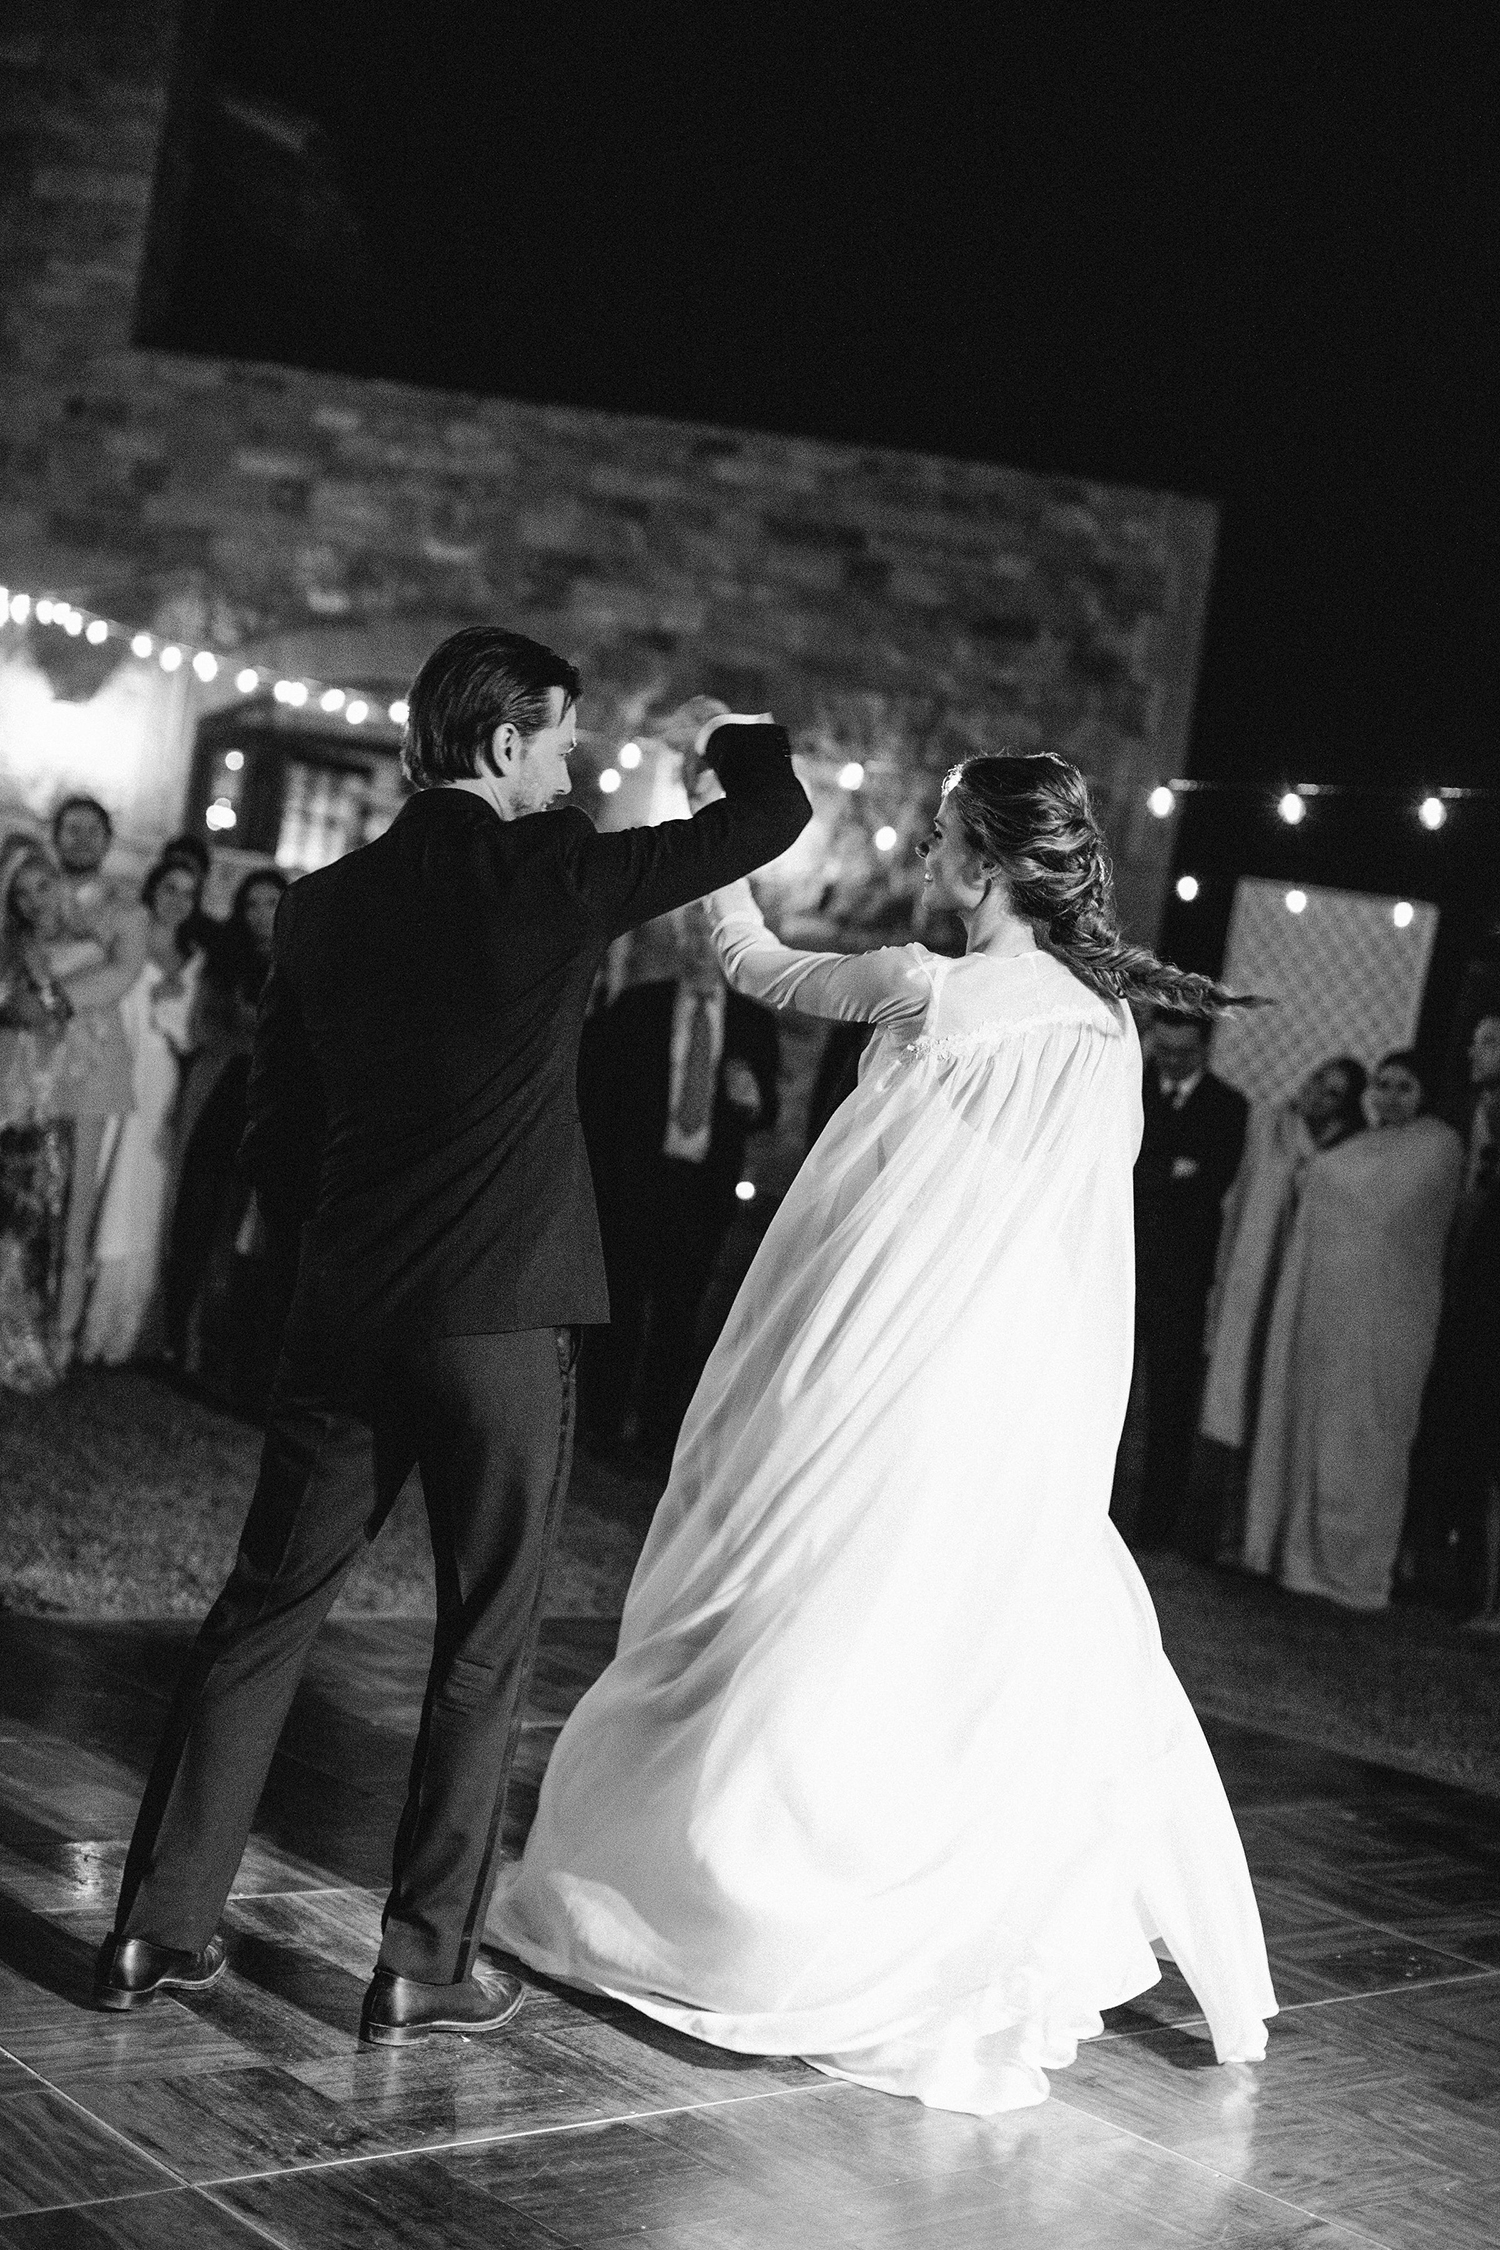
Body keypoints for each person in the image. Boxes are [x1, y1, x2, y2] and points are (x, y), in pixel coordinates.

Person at [489, 751, 1277, 2117]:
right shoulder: (1105, 1026)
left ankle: (755, 1894)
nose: (920, 858)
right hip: (1004, 1378)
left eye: (936, 839)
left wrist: (722, 830)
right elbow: (1073, 1233)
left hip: (883, 1359)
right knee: (945, 1613)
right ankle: (942, 1884)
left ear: (986, 864)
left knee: (820, 1590)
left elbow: (755, 963)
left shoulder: (932, 986)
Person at [95, 627, 811, 2043]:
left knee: (262, 1614)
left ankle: (153, 1930)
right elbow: (770, 814)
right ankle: (424, 1960)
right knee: (484, 1640)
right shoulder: (557, 872)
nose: (571, 767)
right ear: (501, 743)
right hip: (503, 1322)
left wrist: (346, 1247)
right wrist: (734, 733)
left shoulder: (321, 905)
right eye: (559, 741)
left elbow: (274, 1132)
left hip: (345, 1316)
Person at [1240, 1051, 1461, 1611]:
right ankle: (1297, 1555)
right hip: (1328, 1320)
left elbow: (1382, 1212)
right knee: (1315, 1429)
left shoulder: (1437, 1146)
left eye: (1404, 1086)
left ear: (1426, 1094)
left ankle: (1353, 1566)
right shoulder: (1362, 1145)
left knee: (1366, 1438)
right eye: (1382, 1085)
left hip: (1386, 1328)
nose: (1389, 1097)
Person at [578, 903, 779, 1464]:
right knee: (620, 1309)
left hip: (703, 1194)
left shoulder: (753, 1023)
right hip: (636, 1185)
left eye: (707, 939)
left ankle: (656, 1435)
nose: (697, 950)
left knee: (679, 1315)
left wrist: (752, 1100)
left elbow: (768, 1110)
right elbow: (598, 1098)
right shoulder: (638, 1008)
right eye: (689, 937)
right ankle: (601, 1429)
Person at [1191, 1054, 1369, 1564]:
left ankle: (1258, 1539)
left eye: (1334, 1093)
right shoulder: (1271, 1129)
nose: (1317, 1096)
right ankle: (1207, 1533)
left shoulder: (1349, 1152)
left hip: (1302, 1295)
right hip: (1251, 1285)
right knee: (1230, 1403)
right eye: (1316, 1081)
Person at [1117, 1013, 1247, 1548]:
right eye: (1163, 1051)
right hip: (1120, 1266)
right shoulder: (1129, 1086)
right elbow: (1119, 1167)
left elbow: (1212, 1181)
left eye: (1182, 1053)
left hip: (1182, 1280)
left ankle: (1156, 1526)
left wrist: (1153, 1170)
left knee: (1171, 1404)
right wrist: (1171, 1169)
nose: (1170, 1062)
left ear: (1205, 1049)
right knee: (1107, 1395)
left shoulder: (1228, 1106)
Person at [77, 857, 207, 1365]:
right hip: (112, 1067)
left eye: (188, 893)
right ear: (153, 889)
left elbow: (193, 1036)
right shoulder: (121, 938)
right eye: (170, 888)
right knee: (98, 1177)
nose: (177, 901)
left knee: (138, 1194)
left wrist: (172, 1008)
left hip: (159, 1082)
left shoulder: (195, 959)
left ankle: (119, 1332)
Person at [161, 866, 288, 1374]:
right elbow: (204, 1027)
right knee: (198, 1213)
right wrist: (250, 1028)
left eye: (271, 903)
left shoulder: (303, 962)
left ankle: (223, 1346)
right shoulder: (227, 960)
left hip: (270, 1106)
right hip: (221, 1094)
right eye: (251, 904)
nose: (260, 914)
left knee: (244, 1229)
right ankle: (182, 1338)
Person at [1402, 1013, 1500, 1617]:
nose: (1472, 1050)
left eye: (1488, 1042)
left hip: (1490, 1307)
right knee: (1446, 1442)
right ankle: (1440, 1574)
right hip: (1452, 1299)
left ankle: (1482, 1594)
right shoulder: (1460, 1119)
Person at [47, 795, 147, 1348]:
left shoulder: (127, 911)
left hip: (89, 1069)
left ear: (108, 841)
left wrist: (50, 997)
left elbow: (122, 974)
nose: (81, 839)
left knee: (75, 1202)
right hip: (22, 1064)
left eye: (92, 830)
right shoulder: (29, 896)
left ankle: (61, 1331)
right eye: (71, 828)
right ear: (55, 835)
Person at [0, 836, 75, 1392]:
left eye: (42, 886)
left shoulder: (86, 941)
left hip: (48, 1101)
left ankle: (27, 1346)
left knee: (30, 1229)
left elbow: (54, 1016)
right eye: (20, 893)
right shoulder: (12, 948)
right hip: (13, 1097)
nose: (33, 901)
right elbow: (31, 1012)